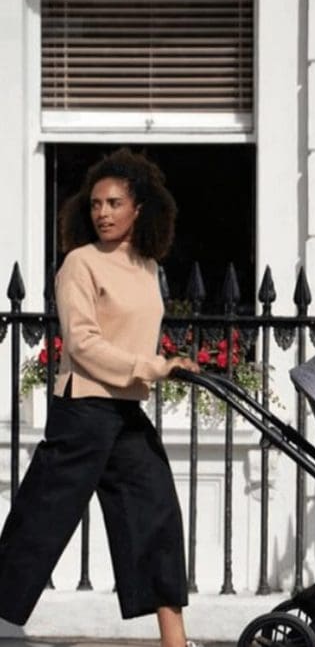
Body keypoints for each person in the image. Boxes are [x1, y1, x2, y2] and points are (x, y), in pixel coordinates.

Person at [0, 148, 200, 647]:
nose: (103, 213)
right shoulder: (80, 264)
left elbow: (135, 335)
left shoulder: (147, 266)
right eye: (95, 204)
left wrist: (167, 365)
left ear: (139, 209)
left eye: (114, 203)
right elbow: (83, 343)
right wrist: (152, 367)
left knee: (157, 513)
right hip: (83, 410)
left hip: (125, 410)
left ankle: (174, 640)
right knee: (42, 520)